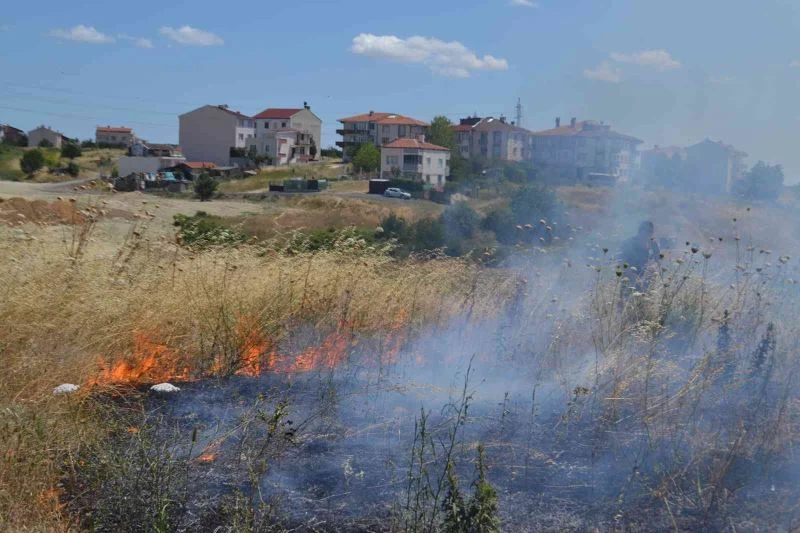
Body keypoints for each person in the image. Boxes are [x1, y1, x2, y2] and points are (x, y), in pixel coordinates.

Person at [619, 220, 661, 291]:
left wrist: (653, 269)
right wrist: (632, 276)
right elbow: (621, 262)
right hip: (629, 280)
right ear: (640, 231)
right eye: (647, 231)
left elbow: (658, 261)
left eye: (651, 231)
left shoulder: (653, 245)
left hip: (647, 281)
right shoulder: (629, 243)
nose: (649, 234)